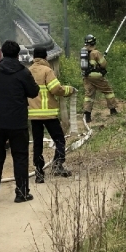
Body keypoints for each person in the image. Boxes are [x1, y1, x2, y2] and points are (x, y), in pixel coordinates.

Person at [0, 40, 40, 203]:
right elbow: (34, 92)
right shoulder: (23, 73)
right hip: (18, 123)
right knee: (20, 157)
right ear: (17, 54)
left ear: (2, 53)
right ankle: (21, 193)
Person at [28, 46, 75, 182]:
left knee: (37, 143)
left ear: (33, 57)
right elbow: (56, 89)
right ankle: (58, 165)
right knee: (59, 139)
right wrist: (69, 90)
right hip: (49, 114)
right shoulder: (47, 71)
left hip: (34, 115)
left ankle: (39, 172)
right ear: (46, 57)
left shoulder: (28, 71)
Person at [80, 34, 118, 124]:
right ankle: (113, 110)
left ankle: (87, 115)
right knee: (108, 91)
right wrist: (102, 58)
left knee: (89, 95)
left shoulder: (83, 52)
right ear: (94, 42)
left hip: (86, 76)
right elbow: (103, 64)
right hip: (96, 76)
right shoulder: (95, 53)